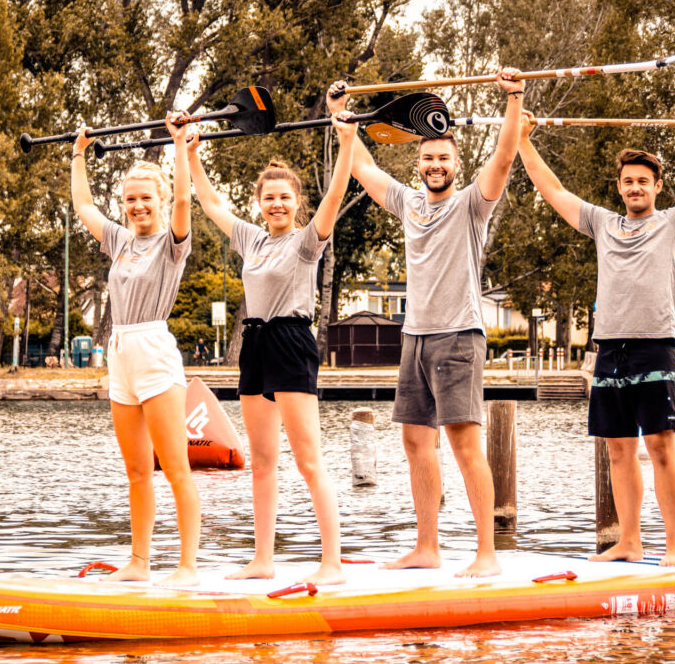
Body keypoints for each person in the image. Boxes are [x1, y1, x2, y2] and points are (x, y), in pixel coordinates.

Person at [516, 105, 675, 566]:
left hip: (655, 346)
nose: (635, 187)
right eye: (628, 181)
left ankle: (674, 546)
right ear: (620, 187)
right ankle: (630, 541)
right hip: (610, 349)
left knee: (660, 446)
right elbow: (552, 190)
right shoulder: (601, 223)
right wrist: (522, 140)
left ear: (656, 187)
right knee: (618, 451)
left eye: (643, 181)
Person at [327, 70, 525, 577]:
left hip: (458, 335)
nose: (435, 165)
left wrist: (514, 98)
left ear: (456, 164)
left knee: (463, 442)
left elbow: (503, 158)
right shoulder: (409, 204)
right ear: (418, 163)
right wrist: (340, 118)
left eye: (444, 158)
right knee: (416, 442)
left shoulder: (471, 205)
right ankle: (427, 547)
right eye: (428, 158)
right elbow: (364, 167)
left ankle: (486, 555)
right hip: (413, 337)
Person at [183, 109, 359, 585]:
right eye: (269, 197)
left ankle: (332, 563)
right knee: (262, 462)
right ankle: (263, 560)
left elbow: (337, 195)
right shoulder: (251, 239)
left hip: (291, 341)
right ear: (259, 202)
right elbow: (211, 203)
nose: (276, 204)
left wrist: (346, 143)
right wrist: (192, 154)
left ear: (296, 203)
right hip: (254, 343)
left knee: (307, 460)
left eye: (285, 197)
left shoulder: (306, 242)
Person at [70, 112, 201, 586]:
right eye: (130, 200)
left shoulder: (172, 243)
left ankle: (187, 568)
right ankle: (140, 563)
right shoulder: (120, 240)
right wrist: (79, 152)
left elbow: (186, 197)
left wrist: (180, 144)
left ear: (160, 201)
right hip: (120, 350)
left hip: (154, 349)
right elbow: (83, 205)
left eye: (146, 198)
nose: (137, 206)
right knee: (136, 469)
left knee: (175, 467)